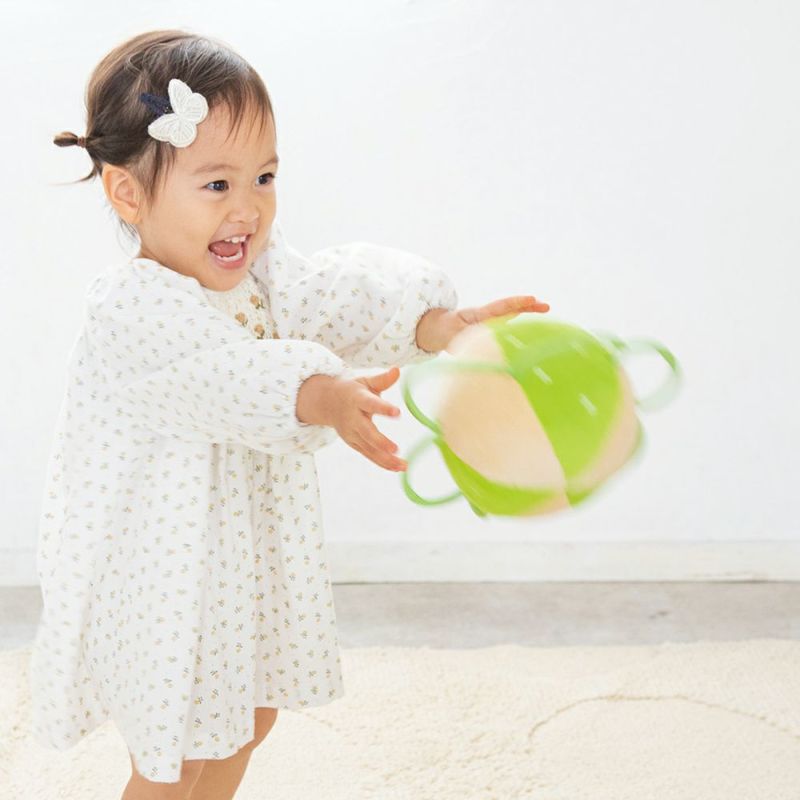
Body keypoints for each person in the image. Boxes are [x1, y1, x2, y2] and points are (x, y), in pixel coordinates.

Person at [30, 28, 550, 799]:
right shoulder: (131, 309)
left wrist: (437, 324)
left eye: (264, 178)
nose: (248, 209)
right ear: (129, 193)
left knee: (251, 717)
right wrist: (323, 395)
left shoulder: (262, 274)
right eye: (217, 185)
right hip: (162, 571)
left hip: (240, 560)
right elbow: (225, 374)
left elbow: (333, 296)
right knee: (177, 749)